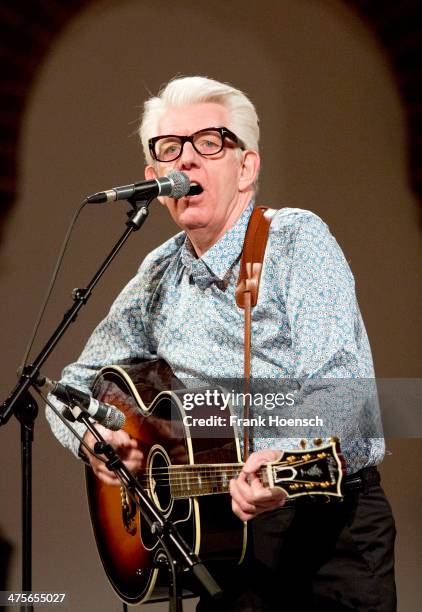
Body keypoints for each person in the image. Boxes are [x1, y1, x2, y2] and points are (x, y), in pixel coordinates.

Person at [46, 76, 396, 611]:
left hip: (325, 533)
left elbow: (343, 387)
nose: (186, 161)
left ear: (247, 167)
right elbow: (69, 386)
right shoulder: (159, 274)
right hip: (219, 547)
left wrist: (287, 457)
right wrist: (93, 440)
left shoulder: (294, 241)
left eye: (209, 142)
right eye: (169, 148)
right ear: (153, 175)